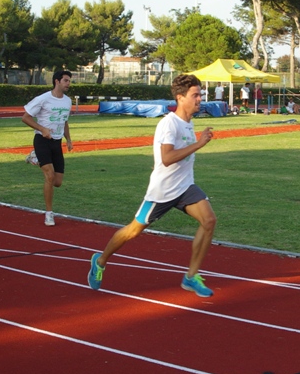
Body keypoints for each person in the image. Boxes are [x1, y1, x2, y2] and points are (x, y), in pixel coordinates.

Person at [88, 74, 217, 298]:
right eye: (195, 95)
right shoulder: (169, 123)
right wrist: (199, 144)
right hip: (162, 191)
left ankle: (190, 277)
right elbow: (167, 158)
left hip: (185, 187)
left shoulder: (188, 122)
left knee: (209, 221)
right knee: (133, 230)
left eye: (200, 95)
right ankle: (100, 261)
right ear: (180, 98)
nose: (200, 99)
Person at [21, 70, 73, 226]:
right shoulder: (43, 99)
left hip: (56, 142)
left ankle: (35, 157)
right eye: (66, 80)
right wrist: (42, 129)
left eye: (69, 81)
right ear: (57, 81)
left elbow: (64, 121)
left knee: (57, 182)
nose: (68, 84)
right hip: (42, 141)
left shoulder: (67, 101)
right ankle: (49, 214)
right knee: (49, 176)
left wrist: (68, 139)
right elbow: (25, 117)